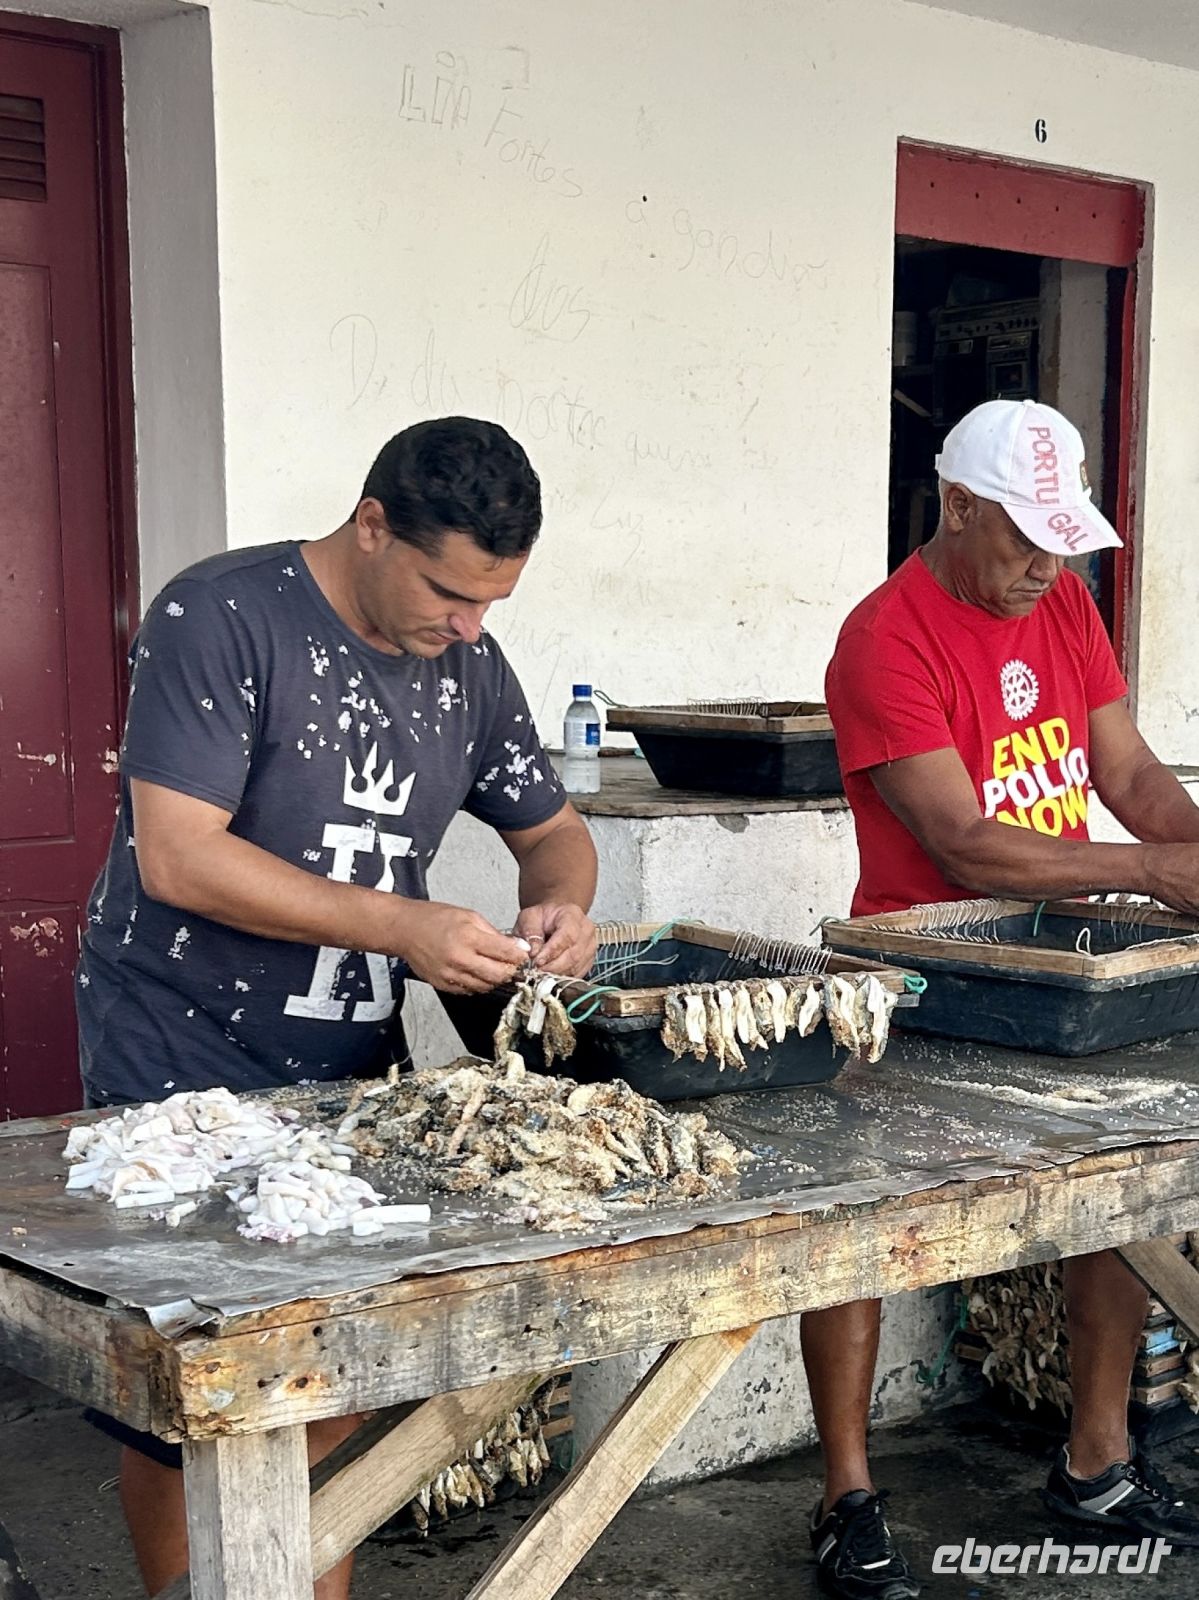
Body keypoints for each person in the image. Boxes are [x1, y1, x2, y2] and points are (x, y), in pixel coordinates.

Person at [76, 415, 598, 1598]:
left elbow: (552, 830)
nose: (468, 627)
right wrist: (404, 925)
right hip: (178, 1057)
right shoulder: (218, 616)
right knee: (192, 1396)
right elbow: (179, 856)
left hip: (349, 1070)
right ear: (371, 526)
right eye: (448, 592)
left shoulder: (467, 665)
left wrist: (560, 902)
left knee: (330, 1374)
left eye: (491, 603)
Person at [817, 398, 1199, 1598]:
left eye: (1061, 539)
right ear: (955, 506)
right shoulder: (883, 638)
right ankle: (845, 1495)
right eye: (1026, 538)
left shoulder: (1064, 605)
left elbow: (1123, 767)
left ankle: (1095, 1463)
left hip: (1061, 961)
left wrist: (1193, 850)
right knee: (854, 1224)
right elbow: (963, 841)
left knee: (1118, 1183)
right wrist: (1152, 870)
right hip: (922, 973)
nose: (1046, 565)